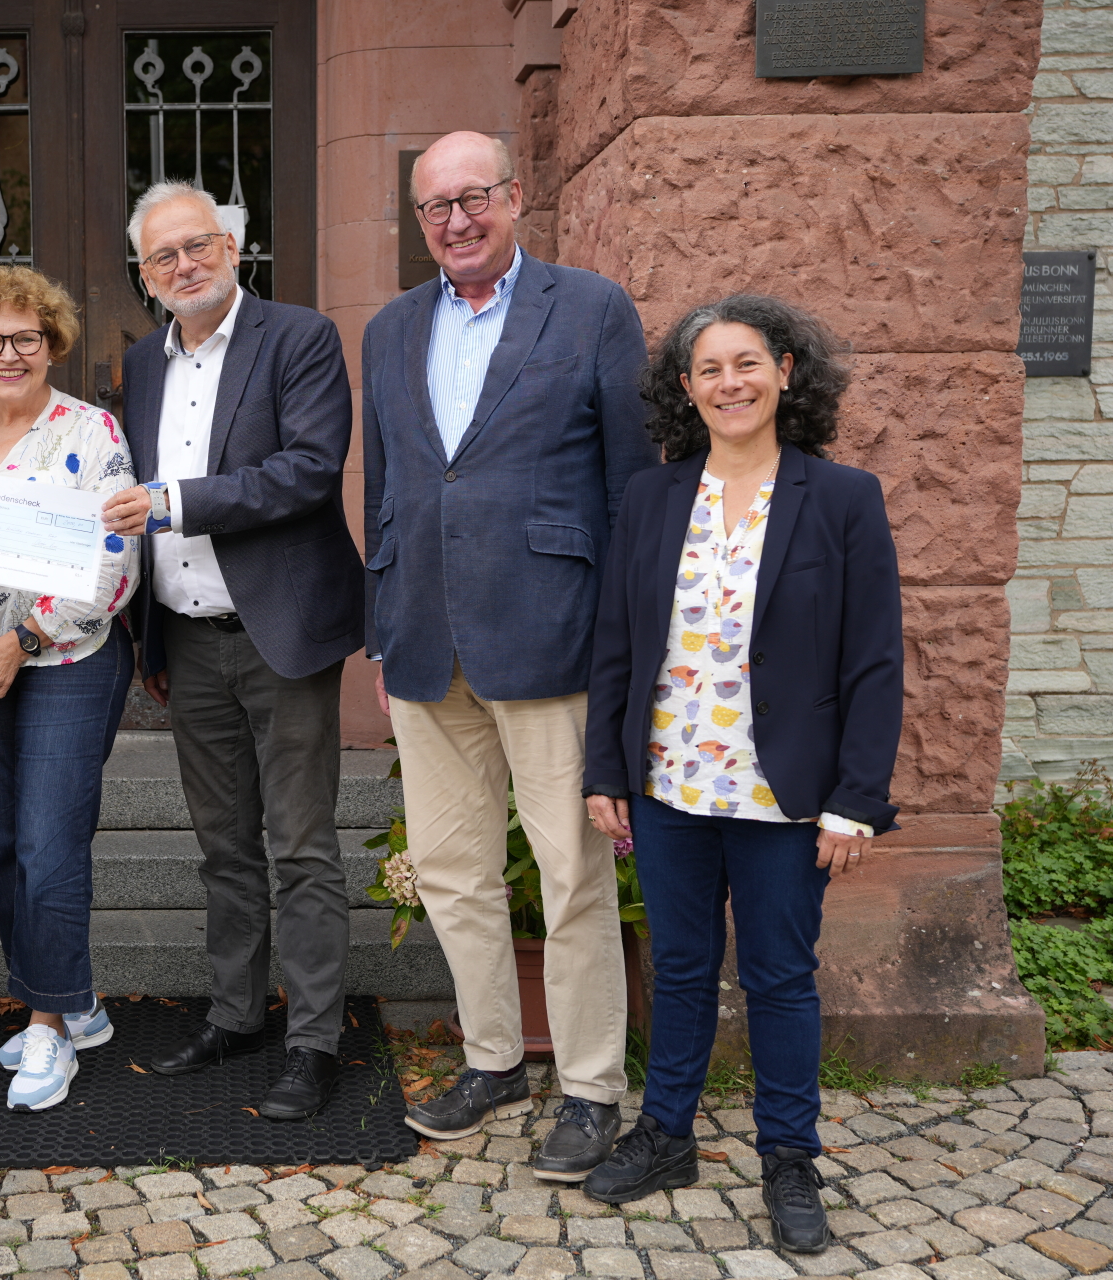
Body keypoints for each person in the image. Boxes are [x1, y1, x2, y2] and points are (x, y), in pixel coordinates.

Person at [360, 131, 659, 1173]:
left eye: (473, 197)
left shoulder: (592, 309)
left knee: (572, 874)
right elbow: (389, 487)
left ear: (515, 195)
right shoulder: (391, 327)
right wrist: (382, 620)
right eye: (435, 207)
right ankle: (493, 1059)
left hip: (555, 637)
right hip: (424, 641)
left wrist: (626, 646)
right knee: (452, 872)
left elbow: (631, 486)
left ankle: (591, 1086)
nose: (456, 221)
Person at [579, 295, 902, 1253]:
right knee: (679, 968)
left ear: (786, 372)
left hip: (784, 794)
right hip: (671, 783)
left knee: (779, 976)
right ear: (686, 388)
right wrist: (606, 771)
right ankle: (666, 1134)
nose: (731, 384)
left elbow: (874, 660)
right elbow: (617, 643)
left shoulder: (842, 498)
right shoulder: (654, 497)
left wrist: (856, 801)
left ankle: (790, 1157)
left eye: (748, 363)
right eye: (711, 369)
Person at [100, 180, 364, 1122]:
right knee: (223, 848)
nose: (185, 266)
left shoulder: (299, 338)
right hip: (186, 637)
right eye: (163, 256)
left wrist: (175, 502)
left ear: (232, 247)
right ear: (145, 276)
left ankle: (315, 1041)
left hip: (279, 634)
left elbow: (308, 470)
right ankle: (236, 1013)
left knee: (301, 846)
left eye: (198, 245)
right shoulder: (142, 362)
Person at [0, 265, 139, 1111]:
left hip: (66, 661)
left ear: (52, 344)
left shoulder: (93, 430)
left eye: (26, 338)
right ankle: (74, 1001)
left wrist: (21, 641)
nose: (8, 354)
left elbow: (115, 562)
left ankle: (48, 1025)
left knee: (49, 846)